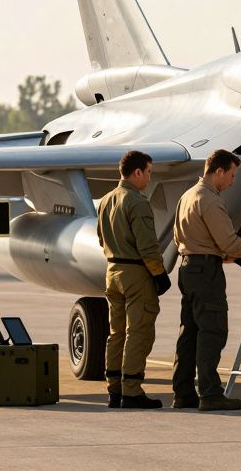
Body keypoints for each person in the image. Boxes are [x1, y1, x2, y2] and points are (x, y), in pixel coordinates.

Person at [171, 149, 241, 411]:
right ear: (218, 171)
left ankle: (183, 392)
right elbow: (227, 240)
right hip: (206, 273)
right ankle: (210, 393)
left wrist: (226, 256)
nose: (232, 181)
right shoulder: (210, 200)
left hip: (188, 268)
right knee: (213, 331)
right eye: (231, 175)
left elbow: (180, 239)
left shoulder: (187, 196)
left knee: (190, 333)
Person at [98, 150, 172, 409]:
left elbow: (100, 239)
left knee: (116, 333)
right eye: (149, 172)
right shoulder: (138, 202)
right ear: (137, 172)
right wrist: (159, 274)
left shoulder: (106, 201)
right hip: (135, 274)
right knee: (138, 332)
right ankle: (131, 390)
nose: (149, 179)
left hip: (112, 271)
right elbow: (148, 246)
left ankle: (114, 389)